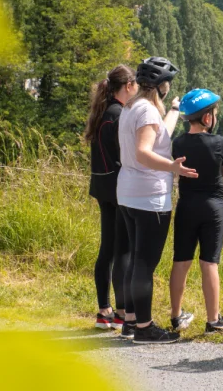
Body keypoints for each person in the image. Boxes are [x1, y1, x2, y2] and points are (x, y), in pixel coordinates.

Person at [117, 57, 198, 345]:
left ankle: (130, 322)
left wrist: (174, 109)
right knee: (144, 264)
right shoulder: (147, 112)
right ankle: (145, 327)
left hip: (128, 193)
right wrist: (172, 168)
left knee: (135, 260)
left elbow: (158, 133)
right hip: (149, 196)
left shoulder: (132, 108)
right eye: (168, 85)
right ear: (161, 86)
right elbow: (143, 152)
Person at [169, 88, 223, 334]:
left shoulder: (177, 142)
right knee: (209, 262)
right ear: (207, 118)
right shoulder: (219, 142)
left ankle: (176, 316)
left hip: (186, 206)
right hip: (213, 207)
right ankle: (213, 321)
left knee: (181, 260)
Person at [85, 65, 137, 330]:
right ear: (128, 85)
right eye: (135, 83)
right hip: (118, 189)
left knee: (107, 249)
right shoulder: (120, 115)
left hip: (102, 187)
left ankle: (104, 310)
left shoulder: (103, 113)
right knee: (123, 249)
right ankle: (123, 311)